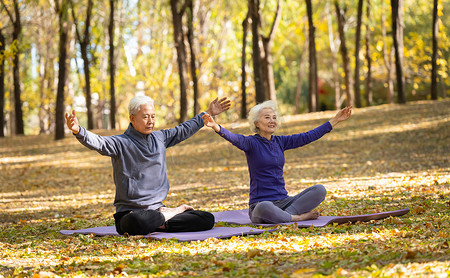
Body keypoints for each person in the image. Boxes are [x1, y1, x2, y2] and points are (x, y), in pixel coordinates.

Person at [65, 95, 231, 235]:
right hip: (131, 214)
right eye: (145, 116)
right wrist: (78, 130)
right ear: (132, 118)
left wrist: (208, 113)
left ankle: (160, 221)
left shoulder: (160, 138)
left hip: (159, 211)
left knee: (206, 219)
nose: (150, 121)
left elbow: (184, 129)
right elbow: (99, 142)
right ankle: (170, 215)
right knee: (135, 222)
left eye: (152, 116)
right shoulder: (120, 143)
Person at [203, 100, 352, 224]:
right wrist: (215, 126)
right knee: (264, 207)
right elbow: (233, 137)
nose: (272, 120)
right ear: (257, 123)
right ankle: (298, 218)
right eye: (267, 117)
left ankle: (283, 216)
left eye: (274, 117)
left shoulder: (281, 142)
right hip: (260, 205)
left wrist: (334, 121)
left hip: (284, 202)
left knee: (319, 190)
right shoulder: (251, 142)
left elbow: (308, 136)